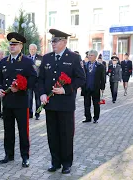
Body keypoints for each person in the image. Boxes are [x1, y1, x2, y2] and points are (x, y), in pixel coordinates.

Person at [38, 29, 86, 174]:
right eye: (52, 41)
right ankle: (55, 162)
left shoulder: (74, 58)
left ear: (64, 42)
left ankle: (66, 163)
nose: (53, 43)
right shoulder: (46, 58)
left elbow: (81, 79)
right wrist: (41, 94)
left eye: (56, 40)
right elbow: (40, 79)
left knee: (65, 134)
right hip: (50, 104)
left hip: (65, 104)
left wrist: (66, 90)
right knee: (52, 134)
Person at [0, 32, 37, 168]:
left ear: (21, 46)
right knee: (8, 130)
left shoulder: (27, 61)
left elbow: (33, 79)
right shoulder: (3, 61)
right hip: (7, 102)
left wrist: (21, 88)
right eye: (10, 44)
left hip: (20, 102)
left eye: (15, 44)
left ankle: (25, 156)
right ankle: (9, 154)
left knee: (23, 131)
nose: (12, 46)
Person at [81, 50, 106, 124]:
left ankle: (96, 118)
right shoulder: (85, 65)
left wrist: (102, 88)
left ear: (95, 56)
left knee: (96, 104)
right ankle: (88, 117)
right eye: (88, 55)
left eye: (91, 55)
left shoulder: (100, 66)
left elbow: (103, 78)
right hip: (86, 88)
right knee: (86, 104)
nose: (89, 56)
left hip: (95, 88)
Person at [27, 43, 43, 120]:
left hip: (37, 82)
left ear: (36, 50)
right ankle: (30, 113)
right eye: (30, 49)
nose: (32, 50)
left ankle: (37, 113)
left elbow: (42, 70)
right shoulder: (26, 58)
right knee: (29, 98)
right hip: (29, 81)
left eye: (33, 49)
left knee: (38, 99)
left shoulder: (40, 58)